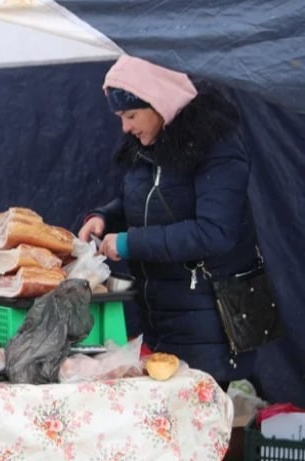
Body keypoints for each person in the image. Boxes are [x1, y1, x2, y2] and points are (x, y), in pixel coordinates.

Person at [78, 55, 260, 386]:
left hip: (211, 321)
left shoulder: (216, 146)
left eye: (131, 115)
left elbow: (215, 232)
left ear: (160, 103)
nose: (125, 127)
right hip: (162, 314)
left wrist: (129, 243)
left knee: (198, 417)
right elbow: (144, 200)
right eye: (120, 117)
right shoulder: (145, 145)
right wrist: (105, 217)